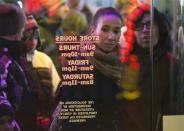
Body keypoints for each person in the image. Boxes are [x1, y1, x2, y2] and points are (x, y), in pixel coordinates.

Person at [49, 7, 123, 131]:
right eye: (105, 29)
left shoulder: (123, 62)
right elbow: (72, 118)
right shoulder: (78, 62)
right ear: (93, 31)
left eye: (116, 31)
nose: (111, 37)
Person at [120, 5, 178, 131]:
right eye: (139, 26)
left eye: (150, 24)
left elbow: (174, 110)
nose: (145, 30)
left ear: (159, 28)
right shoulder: (126, 61)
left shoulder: (171, 64)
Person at [21, 14, 61, 130]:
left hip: (46, 121)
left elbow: (56, 92)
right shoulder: (13, 61)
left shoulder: (44, 59)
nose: (32, 40)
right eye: (28, 36)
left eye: (35, 36)